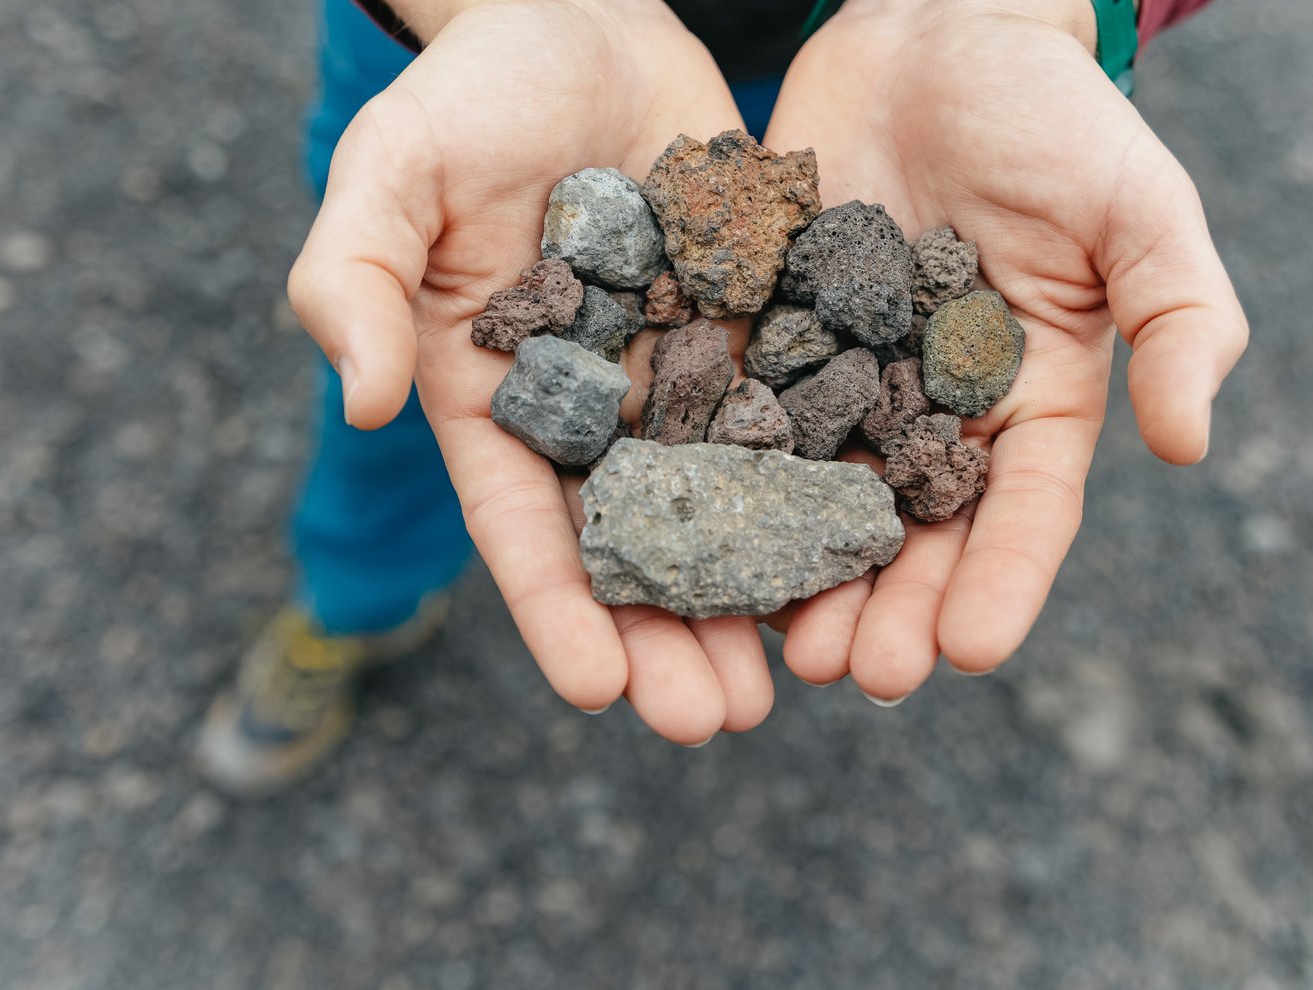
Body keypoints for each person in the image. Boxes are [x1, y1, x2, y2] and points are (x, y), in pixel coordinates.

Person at [197, 0, 1245, 795]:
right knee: (396, 374)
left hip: (893, 54)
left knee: (463, 388)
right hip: (487, 49)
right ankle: (354, 598)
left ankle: (355, 590)